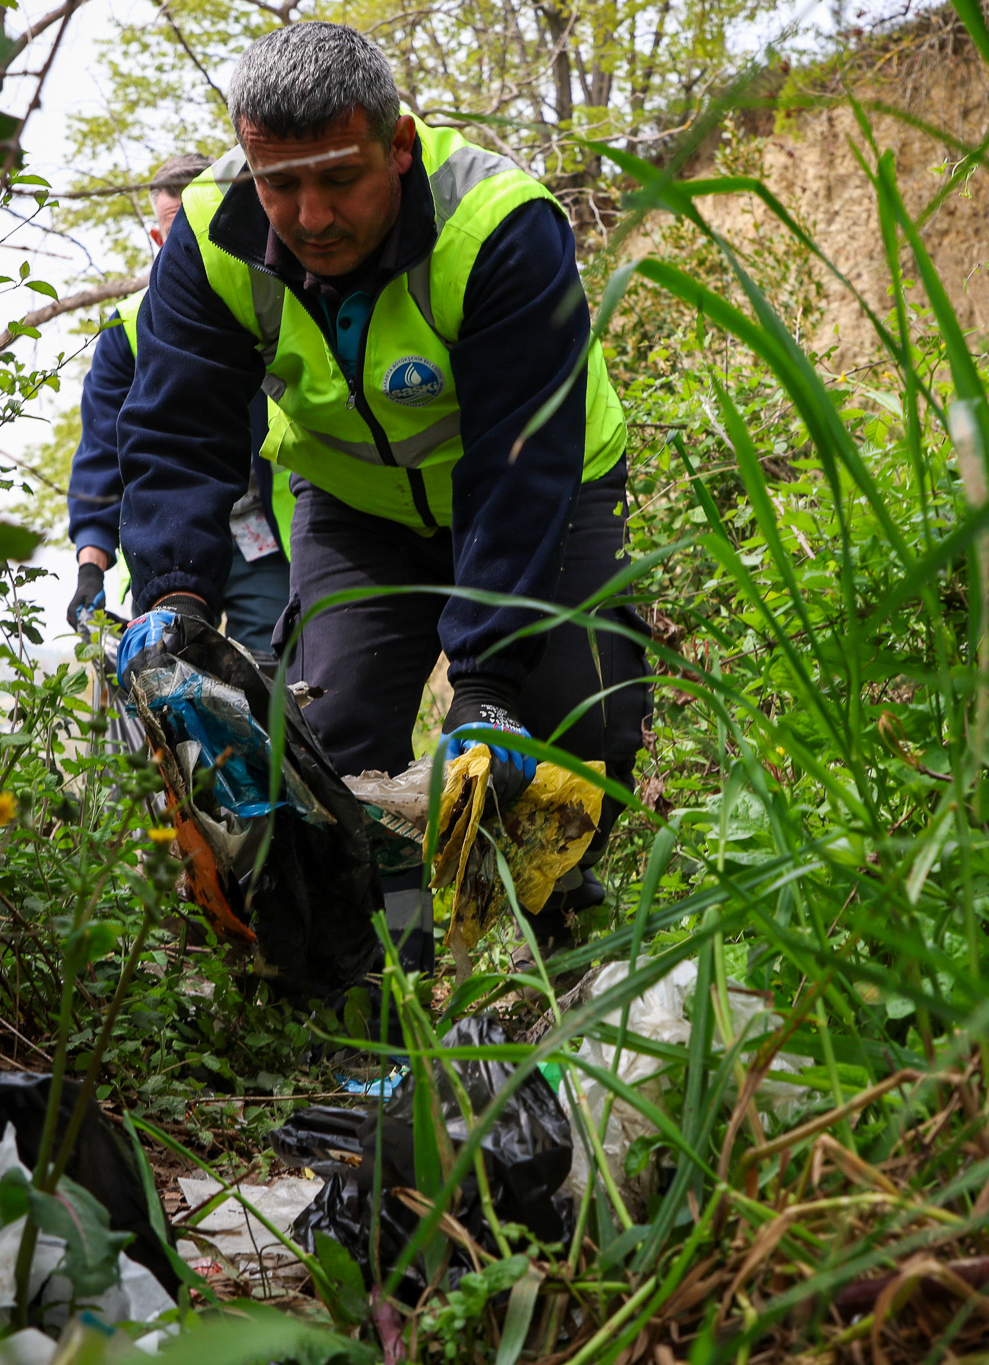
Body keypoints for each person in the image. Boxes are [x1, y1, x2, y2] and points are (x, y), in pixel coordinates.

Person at [111, 23, 650, 966]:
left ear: (398, 145)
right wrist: (173, 606)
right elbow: (175, 429)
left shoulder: (497, 223)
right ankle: (382, 986)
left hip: (544, 485)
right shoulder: (209, 238)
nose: (311, 217)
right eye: (280, 185)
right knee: (334, 734)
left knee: (574, 717)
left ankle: (551, 948)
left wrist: (484, 686)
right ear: (249, 163)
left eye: (339, 180)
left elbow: (518, 462)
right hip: (356, 505)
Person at [64, 152, 292, 656]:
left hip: (265, 537)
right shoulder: (125, 331)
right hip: (167, 536)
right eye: (177, 227)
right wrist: (89, 567)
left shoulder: (268, 302)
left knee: (271, 675)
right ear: (158, 239)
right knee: (173, 673)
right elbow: (104, 453)